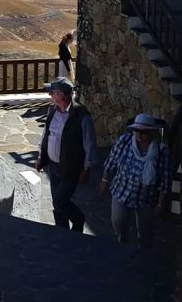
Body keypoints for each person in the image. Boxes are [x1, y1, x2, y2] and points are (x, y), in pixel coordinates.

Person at [34, 77, 98, 232]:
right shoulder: (52, 111)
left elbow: (89, 144)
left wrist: (86, 169)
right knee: (57, 204)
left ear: (61, 95)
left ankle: (78, 220)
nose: (50, 96)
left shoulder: (82, 116)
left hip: (71, 168)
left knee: (60, 201)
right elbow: (46, 135)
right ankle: (62, 233)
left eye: (52, 93)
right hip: (54, 166)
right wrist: (40, 157)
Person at [100, 113, 172, 248]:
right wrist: (105, 180)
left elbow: (165, 181)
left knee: (145, 233)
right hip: (121, 191)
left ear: (151, 132)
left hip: (146, 199)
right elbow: (112, 161)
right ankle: (122, 247)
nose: (139, 134)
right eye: (136, 130)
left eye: (143, 132)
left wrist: (160, 205)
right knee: (118, 222)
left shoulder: (162, 152)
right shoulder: (125, 141)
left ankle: (143, 258)